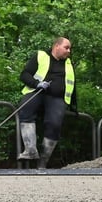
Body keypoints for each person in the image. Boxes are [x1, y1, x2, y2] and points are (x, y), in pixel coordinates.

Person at [16, 36, 76, 168]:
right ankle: (30, 149)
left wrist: (74, 106)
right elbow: (24, 75)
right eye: (66, 48)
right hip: (37, 91)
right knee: (26, 108)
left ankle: (42, 161)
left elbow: (72, 86)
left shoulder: (68, 63)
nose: (69, 51)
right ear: (56, 46)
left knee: (54, 124)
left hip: (57, 98)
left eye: (69, 48)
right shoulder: (41, 56)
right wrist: (37, 84)